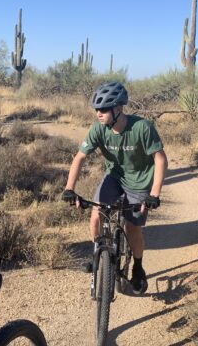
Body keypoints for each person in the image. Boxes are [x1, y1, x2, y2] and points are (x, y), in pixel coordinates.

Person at [62, 81, 168, 293]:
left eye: (103, 109)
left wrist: (154, 193)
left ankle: (137, 267)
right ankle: (98, 255)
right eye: (96, 109)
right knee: (96, 215)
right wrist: (69, 188)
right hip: (114, 177)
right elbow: (80, 157)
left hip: (139, 181)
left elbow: (160, 159)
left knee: (133, 227)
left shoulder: (142, 127)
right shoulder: (98, 129)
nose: (98, 114)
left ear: (118, 109)